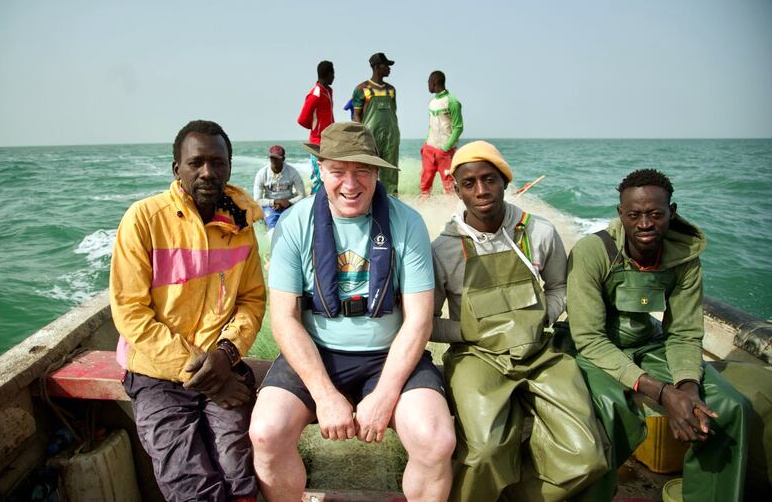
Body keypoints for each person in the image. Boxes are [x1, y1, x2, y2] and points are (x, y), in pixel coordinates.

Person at [249, 122, 455, 502]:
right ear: (320, 171)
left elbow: (419, 319)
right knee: (266, 432)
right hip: (316, 354)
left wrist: (385, 394)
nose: (350, 183)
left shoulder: (406, 222)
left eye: (362, 170)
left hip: (388, 356)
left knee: (436, 440)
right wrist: (324, 395)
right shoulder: (295, 224)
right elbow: (284, 318)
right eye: (338, 171)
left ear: (377, 172)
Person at [431, 141, 607, 501]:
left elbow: (560, 287)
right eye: (469, 183)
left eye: (490, 179)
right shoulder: (444, 249)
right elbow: (427, 323)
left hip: (540, 354)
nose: (481, 191)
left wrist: (541, 316)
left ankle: (520, 495)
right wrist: (471, 332)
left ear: (505, 182)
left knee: (588, 456)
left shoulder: (539, 232)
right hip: (476, 357)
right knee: (485, 451)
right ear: (457, 190)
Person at [567, 168, 751, 501]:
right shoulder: (593, 253)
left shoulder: (685, 259)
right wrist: (663, 392)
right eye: (634, 215)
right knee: (606, 411)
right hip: (598, 350)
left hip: (649, 343)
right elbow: (589, 339)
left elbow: (683, 332)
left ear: (672, 212)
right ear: (620, 214)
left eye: (655, 214)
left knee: (727, 405)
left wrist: (687, 387)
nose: (645, 224)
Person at [110, 119, 266, 502]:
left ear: (230, 166)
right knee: (188, 480)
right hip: (156, 373)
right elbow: (131, 312)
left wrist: (227, 354)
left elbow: (251, 300)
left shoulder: (240, 225)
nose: (208, 172)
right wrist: (203, 371)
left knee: (238, 468)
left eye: (218, 162)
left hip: (221, 363)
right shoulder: (144, 220)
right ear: (176, 168)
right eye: (196, 163)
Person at [352, 52, 400, 195]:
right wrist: (361, 137)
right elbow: (357, 116)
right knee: (368, 170)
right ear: (376, 67)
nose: (389, 68)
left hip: (391, 136)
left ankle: (392, 202)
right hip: (370, 136)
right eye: (386, 65)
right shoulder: (362, 89)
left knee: (391, 171)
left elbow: (393, 111)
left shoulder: (391, 90)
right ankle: (368, 201)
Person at [420, 71, 463, 198]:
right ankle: (423, 211)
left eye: (428, 82)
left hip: (445, 152)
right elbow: (431, 126)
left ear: (434, 82)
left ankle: (451, 213)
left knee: (449, 186)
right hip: (429, 149)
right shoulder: (431, 102)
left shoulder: (452, 102)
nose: (427, 85)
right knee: (425, 185)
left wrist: (446, 148)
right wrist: (425, 143)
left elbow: (459, 127)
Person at [297, 60, 335, 194]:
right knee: (318, 178)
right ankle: (314, 205)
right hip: (317, 142)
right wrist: (315, 128)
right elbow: (302, 119)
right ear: (328, 74)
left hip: (328, 141)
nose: (334, 77)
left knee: (327, 175)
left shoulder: (328, 91)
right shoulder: (315, 93)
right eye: (333, 73)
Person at [253, 145, 306, 231]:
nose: (274, 161)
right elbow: (257, 200)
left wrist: (289, 202)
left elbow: (302, 195)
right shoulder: (262, 173)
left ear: (283, 159)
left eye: (277, 158)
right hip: (270, 206)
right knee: (272, 229)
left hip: (288, 204)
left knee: (296, 228)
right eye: (272, 158)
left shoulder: (292, 172)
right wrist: (274, 202)